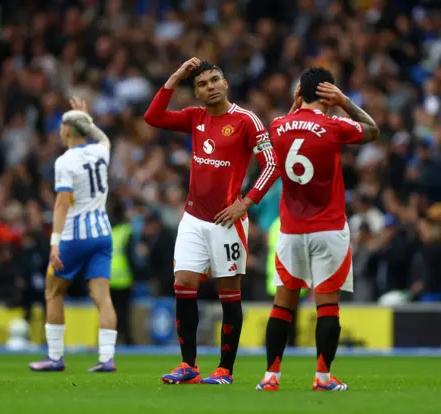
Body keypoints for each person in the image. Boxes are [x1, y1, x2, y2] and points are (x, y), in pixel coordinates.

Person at [144, 58, 280, 385]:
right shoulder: (195, 117)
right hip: (193, 217)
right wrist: (176, 75)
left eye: (215, 79)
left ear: (226, 83)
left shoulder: (247, 121)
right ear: (197, 93)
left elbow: (272, 165)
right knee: (184, 285)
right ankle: (188, 365)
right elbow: (153, 117)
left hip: (226, 222)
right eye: (203, 84)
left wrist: (246, 203)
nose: (211, 87)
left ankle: (225, 369)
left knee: (228, 293)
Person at [256, 66, 380, 392]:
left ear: (300, 92)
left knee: (282, 305)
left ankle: (271, 377)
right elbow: (373, 129)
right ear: (329, 94)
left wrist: (294, 106)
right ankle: (323, 378)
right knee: (327, 306)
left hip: (291, 230)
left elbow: (287, 128)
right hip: (328, 228)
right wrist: (345, 102)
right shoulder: (334, 125)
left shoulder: (277, 125)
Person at [29, 98, 117, 373]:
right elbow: (105, 140)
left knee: (53, 291)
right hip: (103, 233)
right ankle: (107, 359)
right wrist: (86, 119)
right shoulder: (100, 153)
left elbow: (61, 204)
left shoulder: (65, 161)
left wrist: (54, 243)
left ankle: (55, 357)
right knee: (102, 297)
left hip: (74, 236)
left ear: (67, 131)